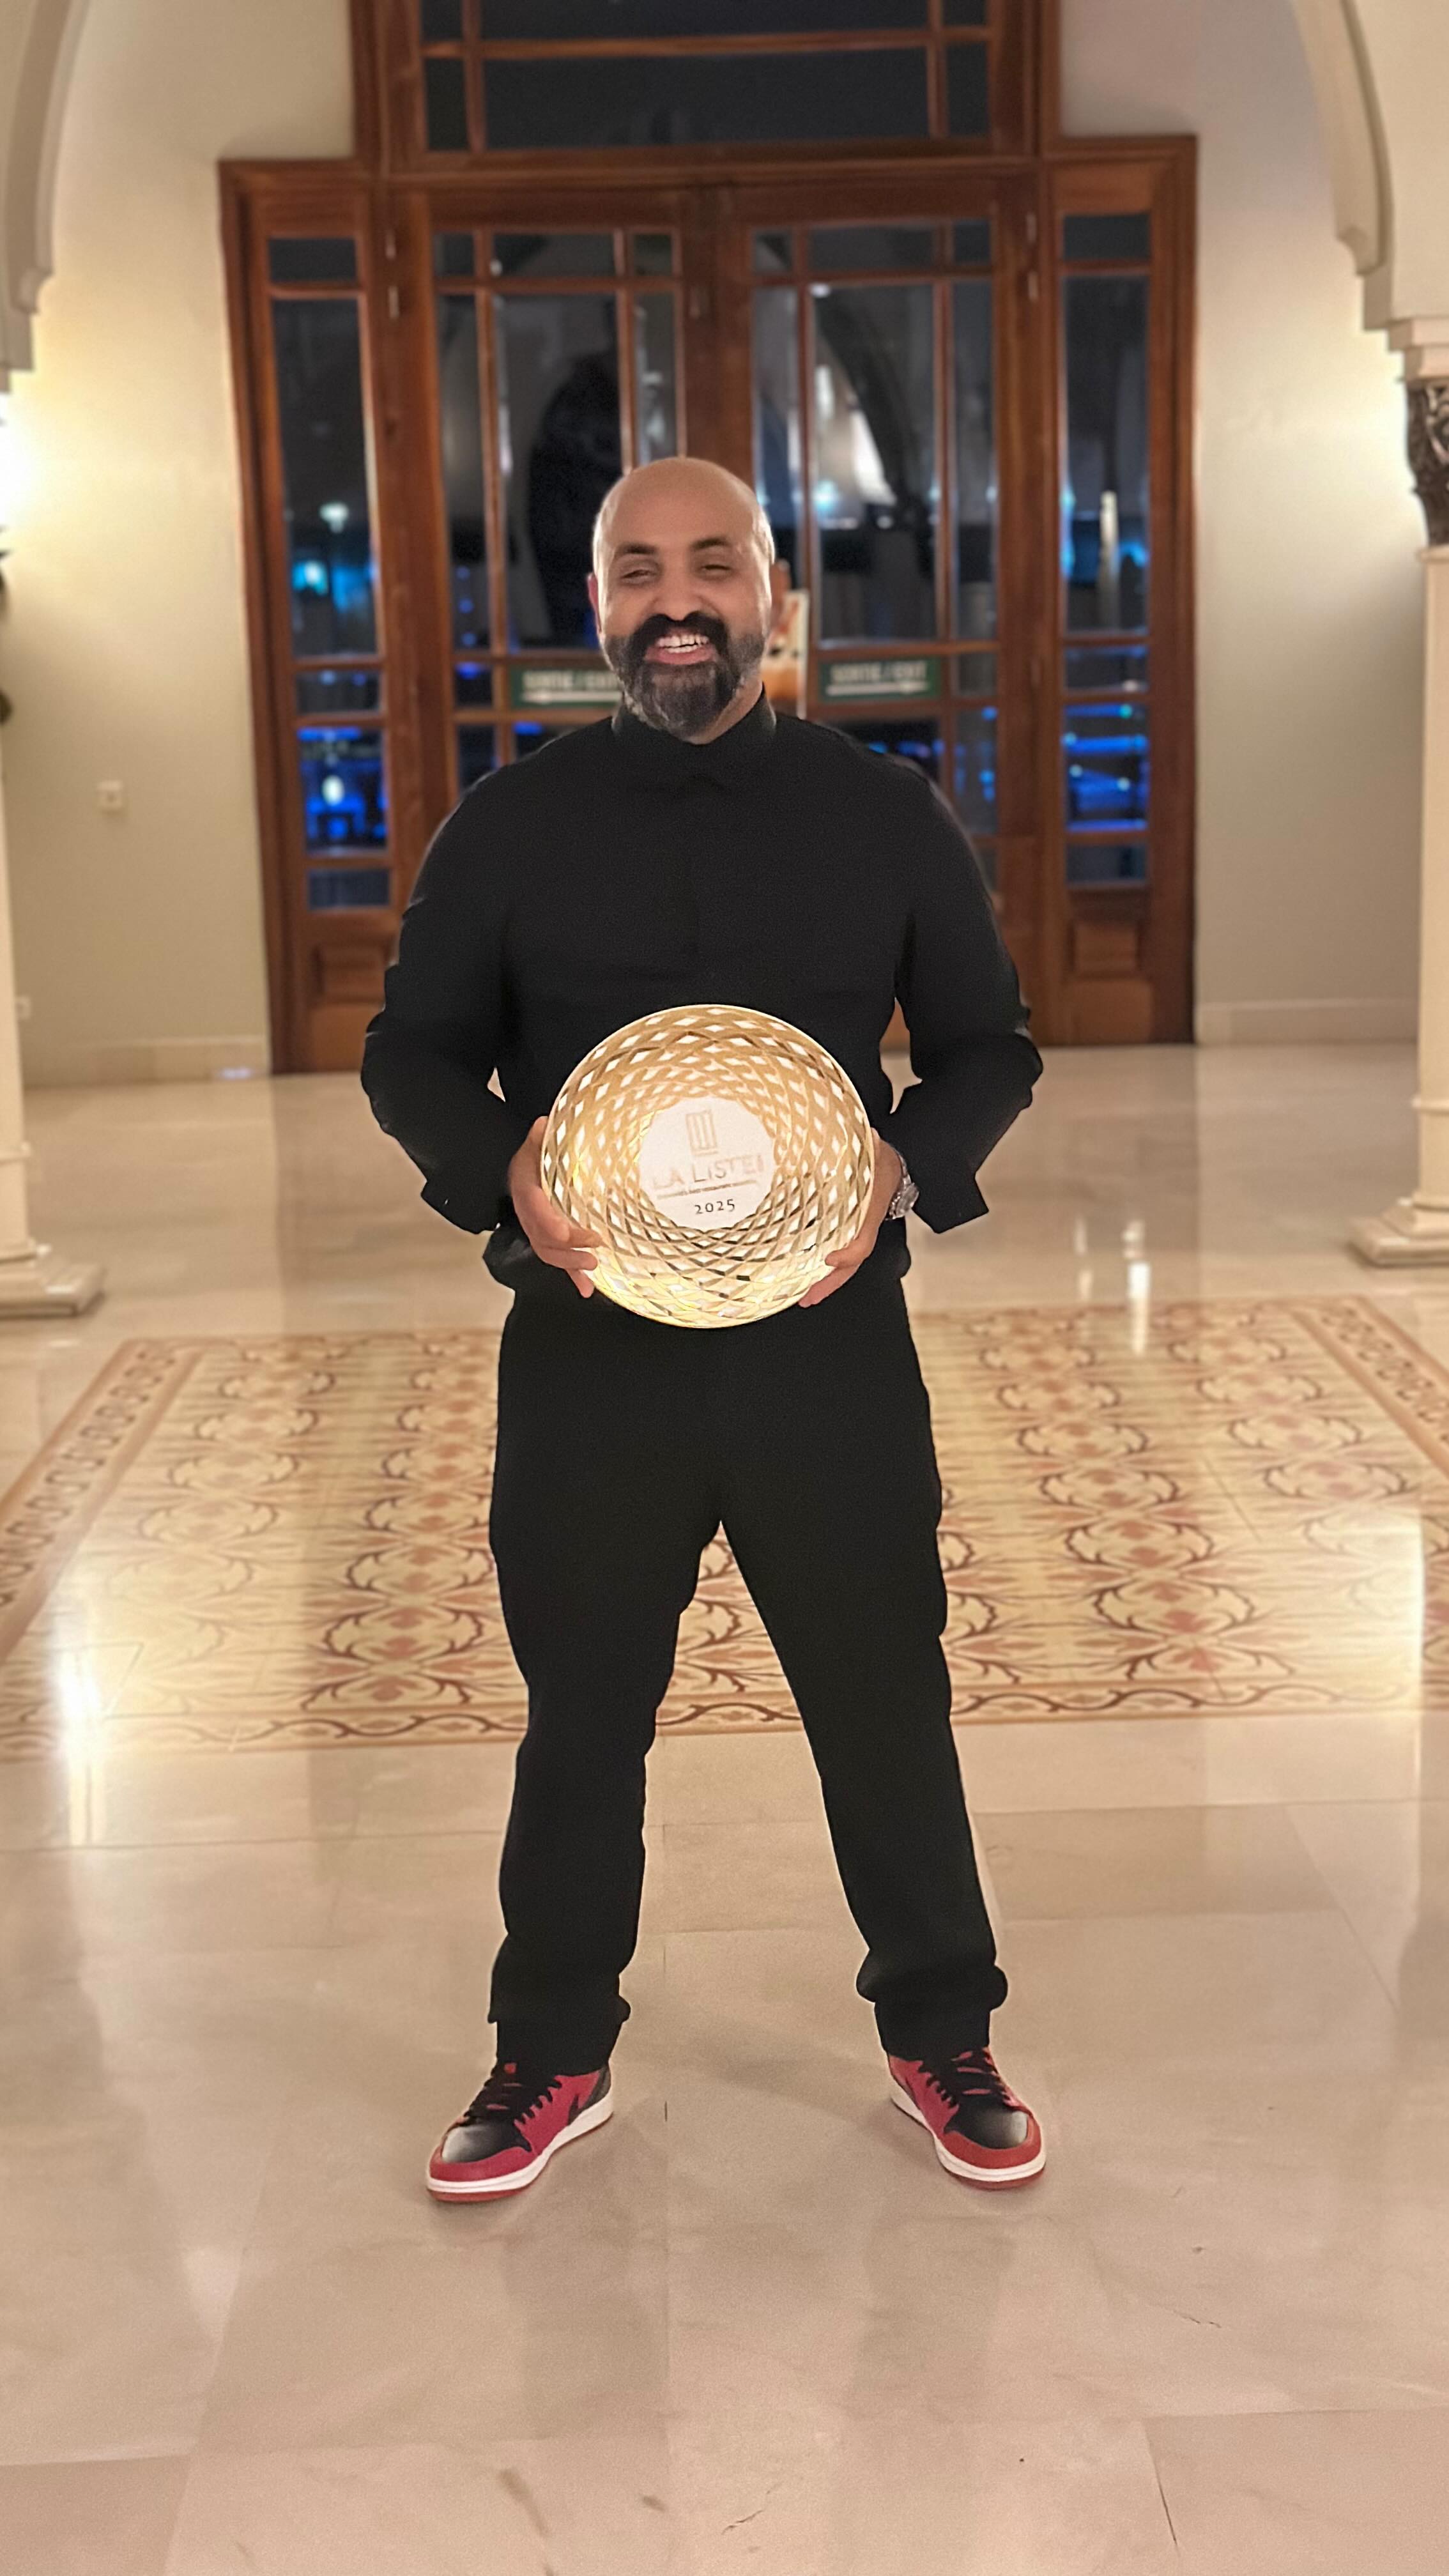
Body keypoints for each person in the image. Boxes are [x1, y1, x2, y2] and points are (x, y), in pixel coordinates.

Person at [362, 456, 1045, 2203]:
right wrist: (492, 1166)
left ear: (771, 593)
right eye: (638, 569)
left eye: (713, 565)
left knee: (882, 1692)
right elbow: (410, 1050)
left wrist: (903, 1174)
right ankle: (549, 2050)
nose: (678, 600)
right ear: (592, 603)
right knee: (581, 1713)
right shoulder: (506, 824)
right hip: (589, 1349)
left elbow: (989, 1047)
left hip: (826, 1347)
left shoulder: (881, 812)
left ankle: (940, 2027)